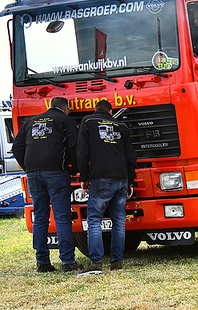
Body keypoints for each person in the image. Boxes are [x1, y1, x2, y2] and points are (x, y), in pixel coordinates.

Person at [12, 96, 82, 273]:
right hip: (57, 172)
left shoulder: (31, 122)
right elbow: (74, 146)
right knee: (62, 217)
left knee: (41, 218)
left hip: (33, 174)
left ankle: (42, 262)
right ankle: (67, 261)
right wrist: (74, 168)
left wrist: (28, 166)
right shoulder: (66, 120)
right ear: (66, 109)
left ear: (49, 106)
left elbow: (16, 147)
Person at [76, 99, 137, 275]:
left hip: (100, 177)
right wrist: (130, 181)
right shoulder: (121, 126)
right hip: (121, 178)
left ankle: (96, 262)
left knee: (94, 219)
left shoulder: (88, 121)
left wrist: (84, 176)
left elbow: (82, 152)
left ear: (96, 110)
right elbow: (130, 155)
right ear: (111, 112)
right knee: (119, 220)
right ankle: (116, 261)